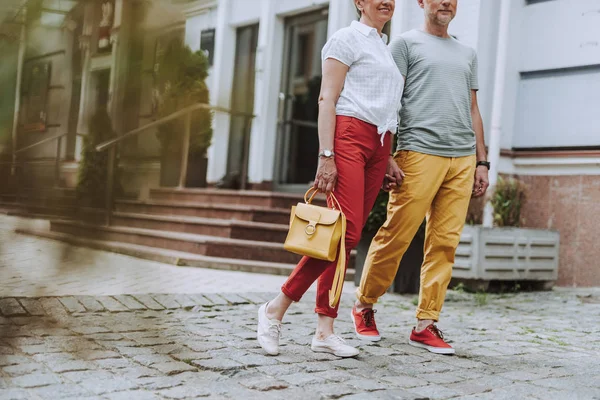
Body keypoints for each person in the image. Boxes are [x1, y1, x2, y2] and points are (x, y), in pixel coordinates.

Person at [257, 0, 404, 358]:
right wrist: (327, 155)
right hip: (349, 137)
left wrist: (387, 159)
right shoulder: (345, 39)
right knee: (344, 233)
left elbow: (384, 104)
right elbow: (328, 99)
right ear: (359, 2)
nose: (386, 1)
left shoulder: (384, 48)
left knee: (345, 240)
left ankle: (324, 330)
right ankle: (276, 307)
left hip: (379, 144)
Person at [351, 0, 490, 355]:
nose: (446, 2)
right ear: (422, 3)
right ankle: (364, 305)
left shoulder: (467, 52)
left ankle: (426, 323)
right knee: (397, 234)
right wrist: (386, 156)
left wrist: (482, 161)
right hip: (417, 152)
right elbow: (388, 98)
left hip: (461, 158)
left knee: (444, 244)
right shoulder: (405, 44)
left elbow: (473, 108)